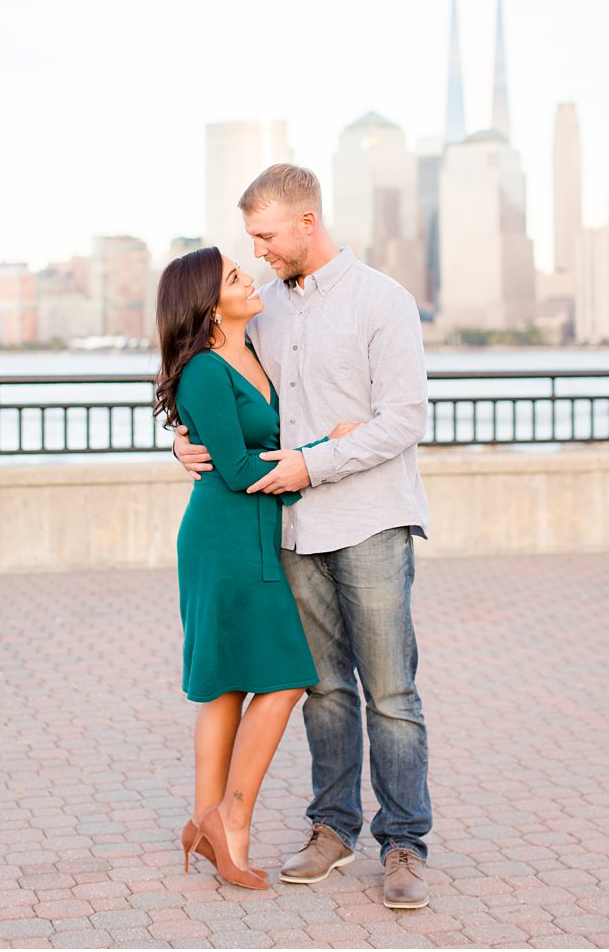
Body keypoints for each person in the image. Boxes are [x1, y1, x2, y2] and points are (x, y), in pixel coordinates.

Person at [174, 163, 434, 909]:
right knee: (322, 691)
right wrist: (181, 443)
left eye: (266, 236)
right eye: (250, 239)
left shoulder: (383, 300)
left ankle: (406, 843)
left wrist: (313, 462)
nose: (258, 252)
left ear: (306, 224)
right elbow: (214, 386)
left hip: (371, 520)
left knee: (391, 692)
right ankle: (333, 829)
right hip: (292, 529)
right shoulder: (267, 313)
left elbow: (403, 419)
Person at [154, 247, 332, 889]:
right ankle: (230, 822)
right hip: (224, 541)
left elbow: (243, 442)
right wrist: (324, 456)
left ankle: (211, 825)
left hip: (254, 536)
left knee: (232, 682)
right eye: (234, 277)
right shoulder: (204, 370)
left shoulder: (253, 351)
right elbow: (232, 468)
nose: (249, 278)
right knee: (283, 680)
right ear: (207, 304)